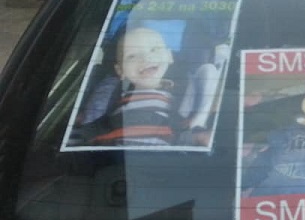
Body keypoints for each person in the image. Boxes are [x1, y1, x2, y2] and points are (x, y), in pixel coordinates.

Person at [72, 27, 219, 147]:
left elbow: (179, 130)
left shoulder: (182, 96)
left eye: (154, 49)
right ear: (120, 71)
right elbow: (92, 128)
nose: (145, 58)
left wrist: (197, 137)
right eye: (132, 56)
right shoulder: (113, 95)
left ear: (169, 56)